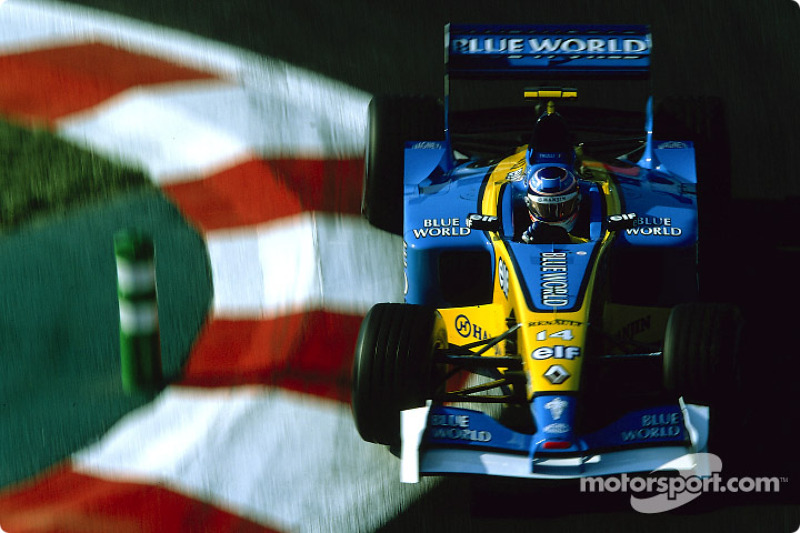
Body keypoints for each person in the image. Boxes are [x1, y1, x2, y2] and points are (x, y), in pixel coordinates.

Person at [521, 165, 581, 244]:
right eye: (544, 209)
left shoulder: (588, 216)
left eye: (562, 208)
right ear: (528, 203)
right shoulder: (518, 218)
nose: (552, 217)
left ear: (578, 200)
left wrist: (566, 238)